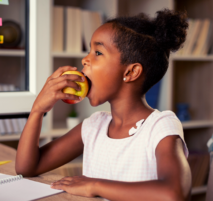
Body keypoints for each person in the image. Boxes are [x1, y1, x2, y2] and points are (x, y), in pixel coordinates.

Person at [16, 8, 191, 201]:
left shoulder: (160, 127)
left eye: (98, 52)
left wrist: (94, 185)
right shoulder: (94, 126)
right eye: (89, 51)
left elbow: (174, 193)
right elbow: (27, 168)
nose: (85, 60)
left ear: (131, 72)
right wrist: (38, 110)